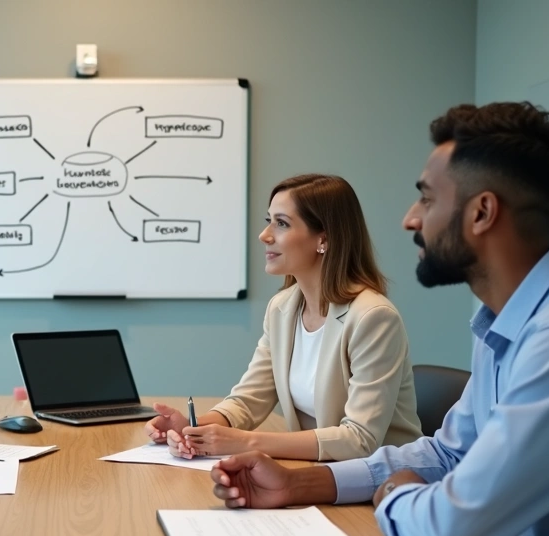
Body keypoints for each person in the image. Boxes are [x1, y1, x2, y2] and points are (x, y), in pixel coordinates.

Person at [210, 103, 549, 536]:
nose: (410, 218)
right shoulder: (506, 322)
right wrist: (300, 486)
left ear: (481, 213)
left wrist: (397, 493)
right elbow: (449, 452)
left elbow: (454, 526)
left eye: (427, 197)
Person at [145, 174, 422, 462]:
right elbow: (248, 401)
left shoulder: (373, 318)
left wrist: (245, 442)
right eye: (269, 221)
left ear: (323, 239)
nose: (265, 235)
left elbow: (359, 439)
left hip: (384, 479)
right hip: (317, 471)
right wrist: (194, 428)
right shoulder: (282, 308)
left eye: (281, 223)